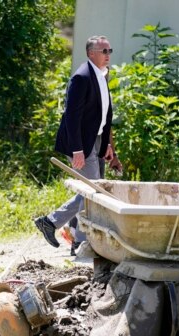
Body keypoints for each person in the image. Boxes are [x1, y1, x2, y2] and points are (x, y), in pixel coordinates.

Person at [34, 35, 122, 256]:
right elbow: (71, 116)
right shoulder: (81, 77)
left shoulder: (102, 75)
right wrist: (77, 150)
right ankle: (52, 222)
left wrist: (108, 146)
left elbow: (102, 115)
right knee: (92, 191)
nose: (108, 55)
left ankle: (76, 240)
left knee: (92, 190)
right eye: (104, 51)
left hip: (97, 139)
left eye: (109, 51)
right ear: (91, 53)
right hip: (81, 143)